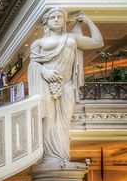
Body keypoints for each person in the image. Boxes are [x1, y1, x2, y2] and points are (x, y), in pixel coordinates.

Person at [28, 9, 104, 164]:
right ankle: (50, 157)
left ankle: (61, 156)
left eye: (59, 17)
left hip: (66, 85)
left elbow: (98, 42)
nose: (56, 19)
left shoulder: (72, 38)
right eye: (52, 17)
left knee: (64, 122)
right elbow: (33, 65)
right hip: (46, 85)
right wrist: (44, 72)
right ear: (46, 22)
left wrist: (88, 21)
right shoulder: (38, 43)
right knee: (48, 119)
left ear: (64, 21)